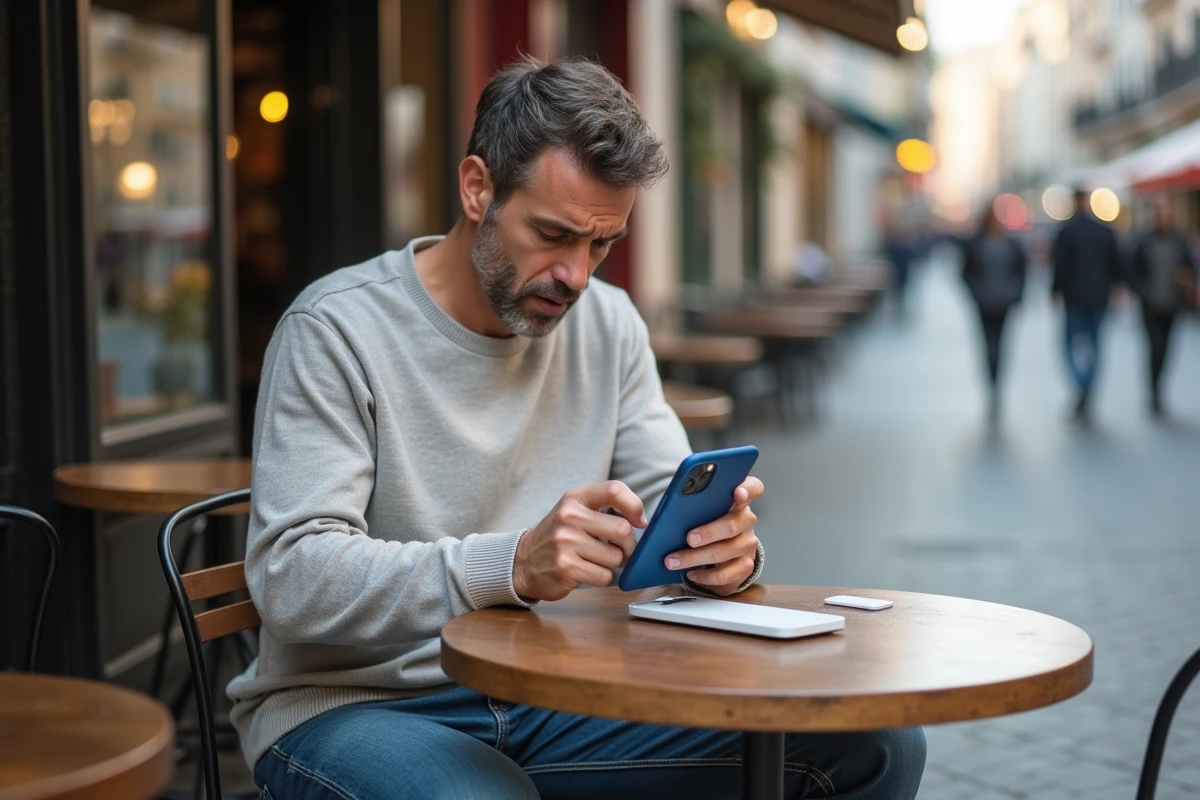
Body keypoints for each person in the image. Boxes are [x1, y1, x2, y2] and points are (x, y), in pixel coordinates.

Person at [229, 57, 926, 799]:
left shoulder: (608, 323)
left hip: (556, 696)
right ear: (477, 189)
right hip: (357, 707)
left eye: (601, 244)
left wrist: (723, 553)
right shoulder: (336, 328)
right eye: (554, 234)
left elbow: (668, 505)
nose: (576, 274)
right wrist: (515, 563)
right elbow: (292, 577)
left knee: (874, 744)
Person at [1051, 188, 1124, 424]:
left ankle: (1082, 385)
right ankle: (1087, 386)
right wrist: (1118, 288)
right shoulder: (1104, 230)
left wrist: (1054, 291)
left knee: (1070, 345)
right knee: (1094, 344)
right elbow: (1117, 263)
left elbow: (1059, 266)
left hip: (1075, 297)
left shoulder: (1066, 231)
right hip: (1099, 296)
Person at [1130, 199, 1197, 416]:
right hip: (1151, 305)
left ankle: (1159, 388)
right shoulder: (1145, 241)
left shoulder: (1179, 240)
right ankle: (1154, 392)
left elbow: (1189, 268)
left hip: (1172, 304)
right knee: (1155, 348)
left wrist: (1189, 285)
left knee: (1166, 350)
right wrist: (1143, 291)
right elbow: (1133, 270)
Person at [961, 205, 1028, 421]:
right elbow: (965, 272)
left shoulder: (1012, 246)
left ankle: (997, 380)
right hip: (984, 302)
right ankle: (991, 381)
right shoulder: (976, 245)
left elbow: (1022, 271)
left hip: (1004, 302)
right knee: (988, 343)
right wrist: (975, 293)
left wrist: (1016, 294)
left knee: (1001, 343)